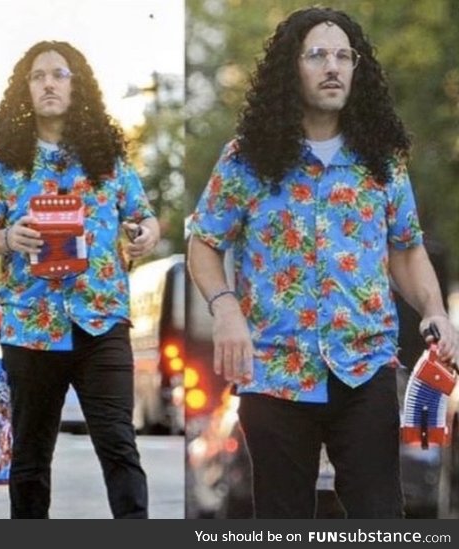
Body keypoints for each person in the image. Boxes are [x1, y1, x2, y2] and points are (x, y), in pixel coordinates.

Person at [187, 6, 458, 519]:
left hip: (366, 370)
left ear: (358, 69)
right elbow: (203, 242)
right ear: (292, 68)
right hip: (273, 371)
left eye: (343, 56)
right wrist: (225, 310)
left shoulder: (383, 160)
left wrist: (434, 310)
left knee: (380, 519)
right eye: (317, 55)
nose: (333, 67)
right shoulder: (246, 158)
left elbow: (406, 247)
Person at [0, 40, 160, 519]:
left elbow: (144, 216)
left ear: (77, 86)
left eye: (59, 74)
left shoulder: (108, 160)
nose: (48, 82)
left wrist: (144, 234)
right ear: (25, 90)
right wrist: (8, 237)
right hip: (31, 327)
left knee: (118, 445)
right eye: (38, 76)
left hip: (101, 320)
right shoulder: (4, 167)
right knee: (29, 460)